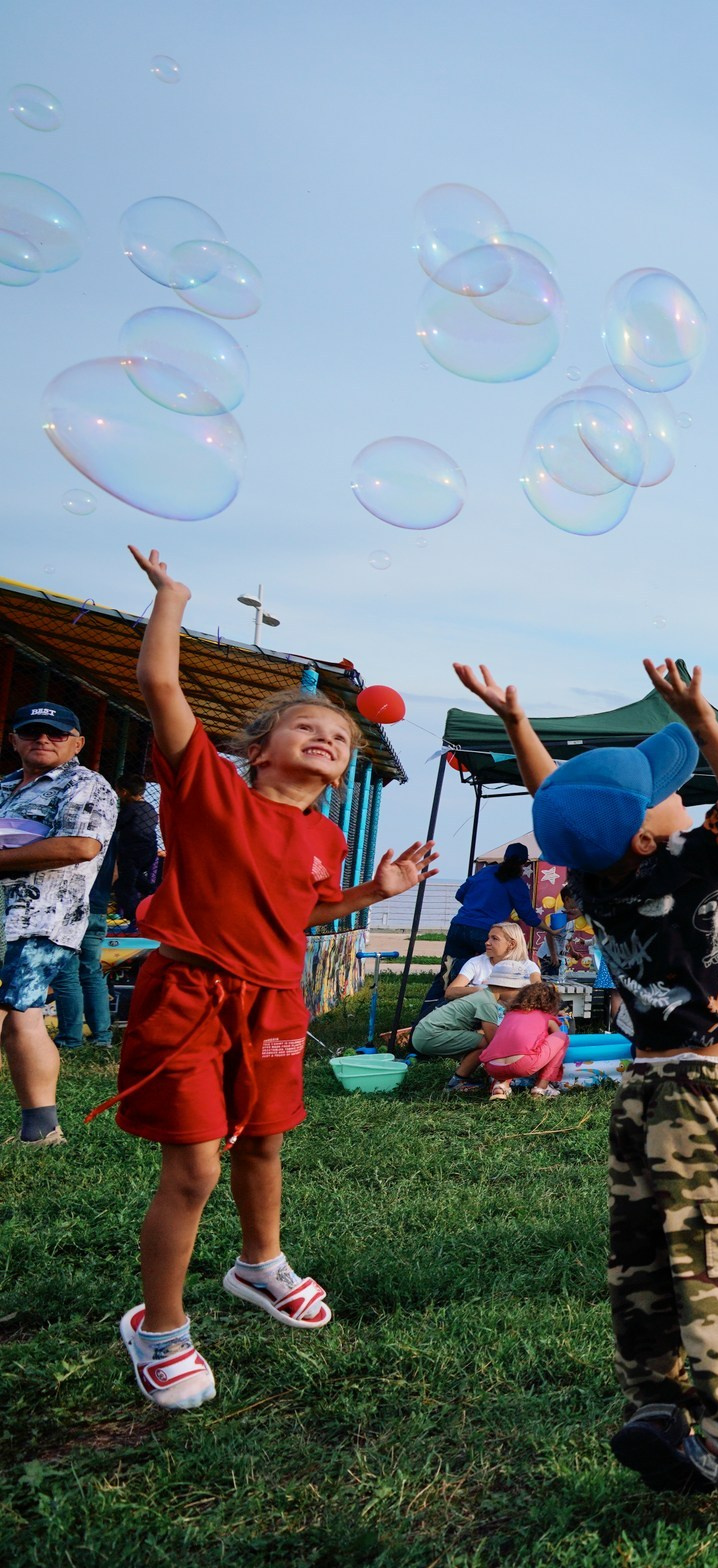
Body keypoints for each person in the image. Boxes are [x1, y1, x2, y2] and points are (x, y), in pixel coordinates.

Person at [458, 650, 718, 1511]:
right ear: (646, 831)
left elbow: (567, 811)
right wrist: (707, 721)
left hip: (638, 1095)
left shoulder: (597, 878)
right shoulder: (684, 866)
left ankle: (656, 1405)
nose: (676, 793)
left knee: (641, 1260)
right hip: (704, 1095)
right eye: (658, 792)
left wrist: (517, 726)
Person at [112, 548, 435, 1411]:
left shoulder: (327, 839)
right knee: (194, 1170)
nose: (330, 737)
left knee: (262, 1140)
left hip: (274, 1003)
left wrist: (373, 891)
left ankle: (260, 1266)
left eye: (342, 739)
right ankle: (159, 1329)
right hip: (190, 995)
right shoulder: (206, 790)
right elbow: (162, 689)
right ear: (259, 749)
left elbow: (306, 910)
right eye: (310, 727)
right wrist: (173, 601)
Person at [3, 700, 118, 1144]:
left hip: (41, 919)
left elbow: (81, 847)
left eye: (56, 734)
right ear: (14, 740)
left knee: (13, 1012)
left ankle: (42, 1128)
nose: (43, 740)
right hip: (5, 918)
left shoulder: (86, 785)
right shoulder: (8, 787)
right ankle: (41, 1129)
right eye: (31, 732)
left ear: (78, 743)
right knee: (23, 1018)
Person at [50, 769, 153, 1051]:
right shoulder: (110, 833)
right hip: (96, 907)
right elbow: (117, 875)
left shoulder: (67, 831)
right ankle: (102, 1038)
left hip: (68, 907)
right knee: (92, 971)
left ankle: (70, 1039)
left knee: (66, 973)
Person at [412, 956, 542, 1085]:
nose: (519, 996)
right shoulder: (487, 1003)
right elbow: (494, 1040)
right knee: (486, 1043)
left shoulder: (486, 995)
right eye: (518, 991)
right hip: (429, 1034)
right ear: (506, 987)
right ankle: (459, 1081)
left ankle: (465, 1075)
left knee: (480, 1041)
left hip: (425, 1032)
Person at [445, 842, 542, 988]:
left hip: (458, 926)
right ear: (524, 862)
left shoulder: (485, 871)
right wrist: (550, 929)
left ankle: (432, 1006)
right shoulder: (516, 883)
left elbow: (460, 894)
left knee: (446, 973)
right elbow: (527, 915)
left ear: (504, 857)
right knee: (498, 973)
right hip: (485, 931)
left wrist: (475, 904)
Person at [480, 973, 569, 1098]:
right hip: (522, 1065)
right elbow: (557, 1036)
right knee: (562, 1037)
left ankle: (500, 1086)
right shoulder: (546, 1017)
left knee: (510, 1045)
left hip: (492, 1067)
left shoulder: (509, 1015)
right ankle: (541, 1087)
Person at [443, 920, 531, 999]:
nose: (487, 943)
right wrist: (481, 989)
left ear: (511, 944)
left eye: (494, 938)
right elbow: (450, 992)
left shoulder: (527, 966)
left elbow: (535, 995)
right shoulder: (476, 962)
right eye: (488, 938)